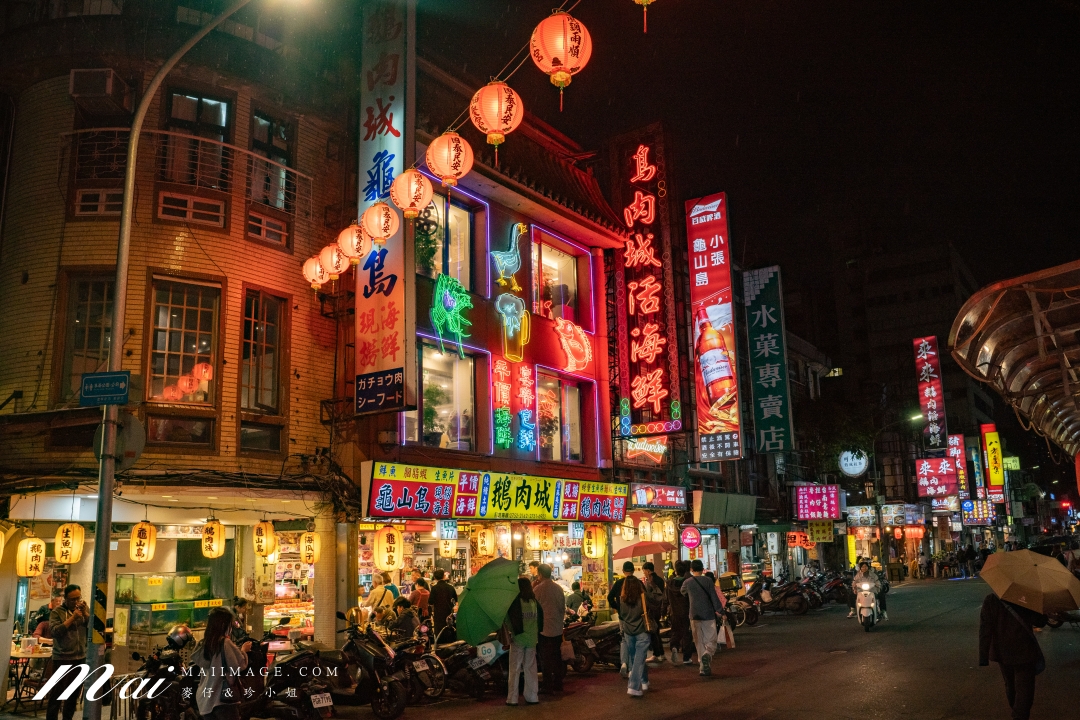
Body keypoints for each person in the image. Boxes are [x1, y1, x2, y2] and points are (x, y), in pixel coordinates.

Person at [979, 593, 1048, 720]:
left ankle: (1017, 712)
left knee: (1010, 685)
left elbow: (985, 627)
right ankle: (1019, 715)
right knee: (1025, 689)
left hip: (1002, 652)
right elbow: (1040, 621)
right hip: (1024, 650)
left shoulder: (991, 599)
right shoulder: (1027, 596)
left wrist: (983, 655)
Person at [190, 607, 253, 720]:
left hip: (205, 700)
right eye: (230, 624)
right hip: (222, 699)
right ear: (224, 624)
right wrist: (243, 650)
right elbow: (239, 665)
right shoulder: (225, 643)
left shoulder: (204, 644)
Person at [46, 585, 89, 720]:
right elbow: (55, 632)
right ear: (65, 598)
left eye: (78, 598)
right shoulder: (57, 612)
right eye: (72, 599)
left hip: (80, 657)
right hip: (62, 658)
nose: (76, 602)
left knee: (73, 694)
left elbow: (92, 626)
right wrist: (72, 618)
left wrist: (85, 614)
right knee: (57, 693)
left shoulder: (83, 610)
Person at [503, 577, 543, 706]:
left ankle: (512, 698)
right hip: (531, 639)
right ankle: (532, 696)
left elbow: (508, 620)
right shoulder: (534, 602)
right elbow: (539, 621)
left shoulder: (515, 602)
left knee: (515, 669)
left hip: (518, 639)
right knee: (530, 669)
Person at [680, 559, 723, 676]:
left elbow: (682, 592)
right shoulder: (708, 580)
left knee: (698, 641)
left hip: (694, 614)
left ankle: (702, 668)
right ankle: (707, 654)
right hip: (708, 614)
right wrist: (720, 611)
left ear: (691, 569)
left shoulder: (687, 582)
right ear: (703, 569)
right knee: (711, 639)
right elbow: (714, 597)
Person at [533, 564, 566, 694]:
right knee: (557, 657)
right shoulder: (558, 589)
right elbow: (562, 608)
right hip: (557, 628)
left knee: (545, 658)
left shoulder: (538, 589)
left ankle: (547, 685)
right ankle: (558, 683)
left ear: (540, 574)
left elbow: (534, 609)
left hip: (544, 629)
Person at [618, 575, 651, 697]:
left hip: (628, 632)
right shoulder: (642, 597)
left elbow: (622, 615)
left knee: (635, 658)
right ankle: (633, 686)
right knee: (639, 659)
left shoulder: (622, 599)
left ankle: (644, 681)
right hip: (642, 630)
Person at [607, 561, 635, 675]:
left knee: (624, 639)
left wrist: (617, 607)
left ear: (623, 571)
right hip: (636, 618)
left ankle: (623, 663)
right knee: (633, 640)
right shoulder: (638, 583)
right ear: (633, 570)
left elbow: (610, 597)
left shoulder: (618, 583)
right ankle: (632, 668)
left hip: (623, 616)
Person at [666, 560, 694, 665]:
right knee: (686, 634)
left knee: (675, 632)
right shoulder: (688, 582)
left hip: (674, 612)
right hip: (686, 611)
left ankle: (674, 647)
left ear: (676, 571)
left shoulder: (669, 583)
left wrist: (664, 611)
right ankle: (686, 658)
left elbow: (666, 599)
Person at [641, 562, 666, 663]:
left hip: (651, 609)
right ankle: (661, 653)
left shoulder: (649, 581)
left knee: (653, 632)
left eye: (644, 571)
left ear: (648, 570)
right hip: (659, 608)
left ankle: (657, 654)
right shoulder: (660, 579)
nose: (644, 573)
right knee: (656, 631)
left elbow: (648, 597)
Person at [430, 568, 458, 642]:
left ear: (435, 578)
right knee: (449, 631)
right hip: (449, 613)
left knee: (440, 633)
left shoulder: (434, 588)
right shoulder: (451, 587)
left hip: (438, 615)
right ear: (443, 576)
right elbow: (455, 601)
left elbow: (430, 601)